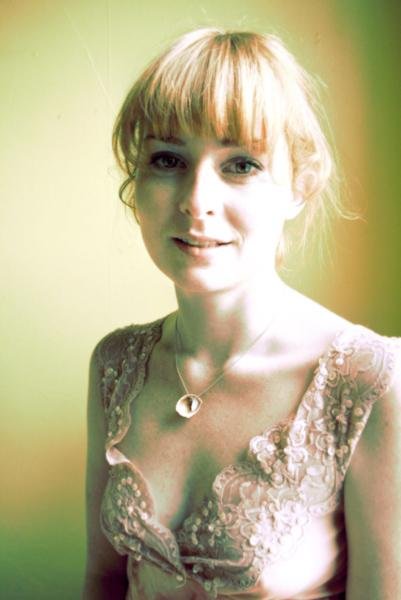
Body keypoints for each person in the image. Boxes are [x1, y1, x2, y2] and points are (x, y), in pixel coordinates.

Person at [82, 28, 401, 600]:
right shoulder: (115, 363)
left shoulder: (369, 380)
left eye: (241, 164)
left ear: (299, 186)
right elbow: (103, 581)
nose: (196, 201)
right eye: (168, 159)